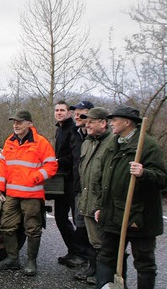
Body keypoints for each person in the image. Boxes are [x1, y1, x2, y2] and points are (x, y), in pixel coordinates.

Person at [95, 106, 166, 289]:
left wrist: (144, 173)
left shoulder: (147, 145)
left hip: (138, 215)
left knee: (144, 261)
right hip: (111, 212)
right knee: (106, 255)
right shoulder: (113, 143)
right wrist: (99, 206)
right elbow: (103, 178)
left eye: (115, 120)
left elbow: (162, 179)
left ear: (127, 122)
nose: (111, 123)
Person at [0, 110, 58, 276]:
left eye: (20, 122)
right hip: (12, 193)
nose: (16, 125)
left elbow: (51, 166)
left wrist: (35, 177)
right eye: (14, 122)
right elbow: (3, 167)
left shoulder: (40, 142)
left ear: (29, 124)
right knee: (6, 226)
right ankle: (12, 259)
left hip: (32, 195)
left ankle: (31, 262)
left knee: (32, 229)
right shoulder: (10, 141)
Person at [76, 107, 113, 285]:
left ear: (103, 123)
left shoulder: (113, 144)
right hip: (87, 199)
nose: (87, 124)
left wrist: (102, 204)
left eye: (91, 121)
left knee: (104, 243)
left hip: (101, 203)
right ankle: (93, 269)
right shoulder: (87, 143)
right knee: (92, 240)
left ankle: (105, 277)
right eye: (86, 121)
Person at [69, 100, 98, 282]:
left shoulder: (95, 138)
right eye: (76, 113)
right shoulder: (78, 134)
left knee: (95, 232)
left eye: (82, 114)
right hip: (80, 188)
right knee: (82, 227)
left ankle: (98, 270)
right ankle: (90, 265)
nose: (78, 117)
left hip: (94, 192)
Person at [53, 100, 84, 267]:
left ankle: (81, 255)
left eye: (62, 110)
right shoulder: (59, 129)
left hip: (73, 180)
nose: (59, 113)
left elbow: (75, 157)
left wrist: (56, 161)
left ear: (69, 113)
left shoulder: (73, 130)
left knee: (78, 220)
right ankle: (73, 250)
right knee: (60, 217)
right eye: (57, 110)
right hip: (62, 180)